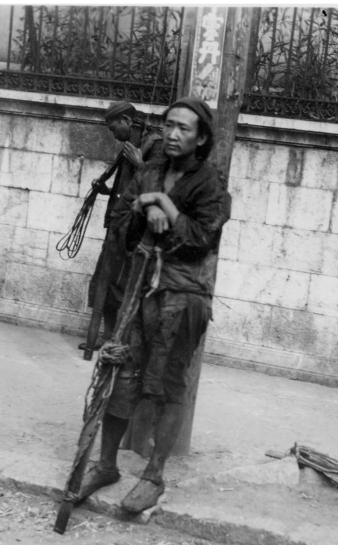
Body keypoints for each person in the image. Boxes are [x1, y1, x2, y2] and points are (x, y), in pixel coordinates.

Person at [76, 96, 230, 513]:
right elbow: (122, 228)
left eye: (185, 128)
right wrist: (147, 205)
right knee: (120, 372)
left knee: (166, 386)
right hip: (139, 290)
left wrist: (165, 206)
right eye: (170, 125)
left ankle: (154, 476)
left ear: (201, 140)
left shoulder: (210, 184)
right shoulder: (149, 172)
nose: (174, 134)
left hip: (183, 298)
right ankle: (106, 464)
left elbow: (199, 241)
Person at [80, 101, 164, 351]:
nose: (111, 132)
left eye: (112, 126)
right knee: (103, 280)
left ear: (127, 120)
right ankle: (105, 335)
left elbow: (159, 187)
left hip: (136, 230)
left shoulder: (154, 144)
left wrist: (141, 164)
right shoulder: (130, 146)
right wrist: (107, 190)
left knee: (122, 284)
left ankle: (119, 338)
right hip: (117, 225)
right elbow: (128, 188)